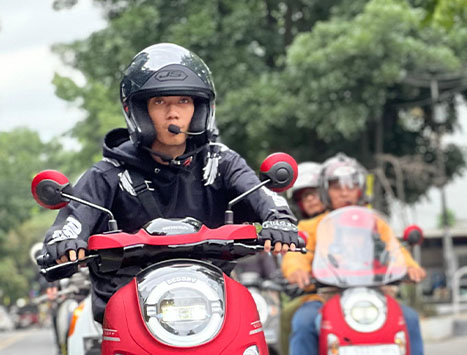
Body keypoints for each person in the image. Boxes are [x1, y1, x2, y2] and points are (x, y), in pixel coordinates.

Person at [41, 43, 301, 322]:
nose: (173, 113)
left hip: (212, 307)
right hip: (129, 314)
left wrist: (280, 221)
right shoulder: (109, 173)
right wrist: (63, 242)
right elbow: (72, 221)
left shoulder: (220, 162)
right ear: (139, 111)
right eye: (160, 102)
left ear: (201, 109)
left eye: (183, 101)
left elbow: (263, 198)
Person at [282, 155, 433, 355]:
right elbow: (297, 254)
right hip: (326, 298)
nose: (345, 191)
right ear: (326, 191)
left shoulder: (376, 223)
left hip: (374, 296)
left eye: (351, 185)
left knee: (409, 319)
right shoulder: (310, 227)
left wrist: (410, 268)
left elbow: (395, 250)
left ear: (361, 189)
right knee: (303, 323)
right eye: (337, 186)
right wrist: (297, 271)